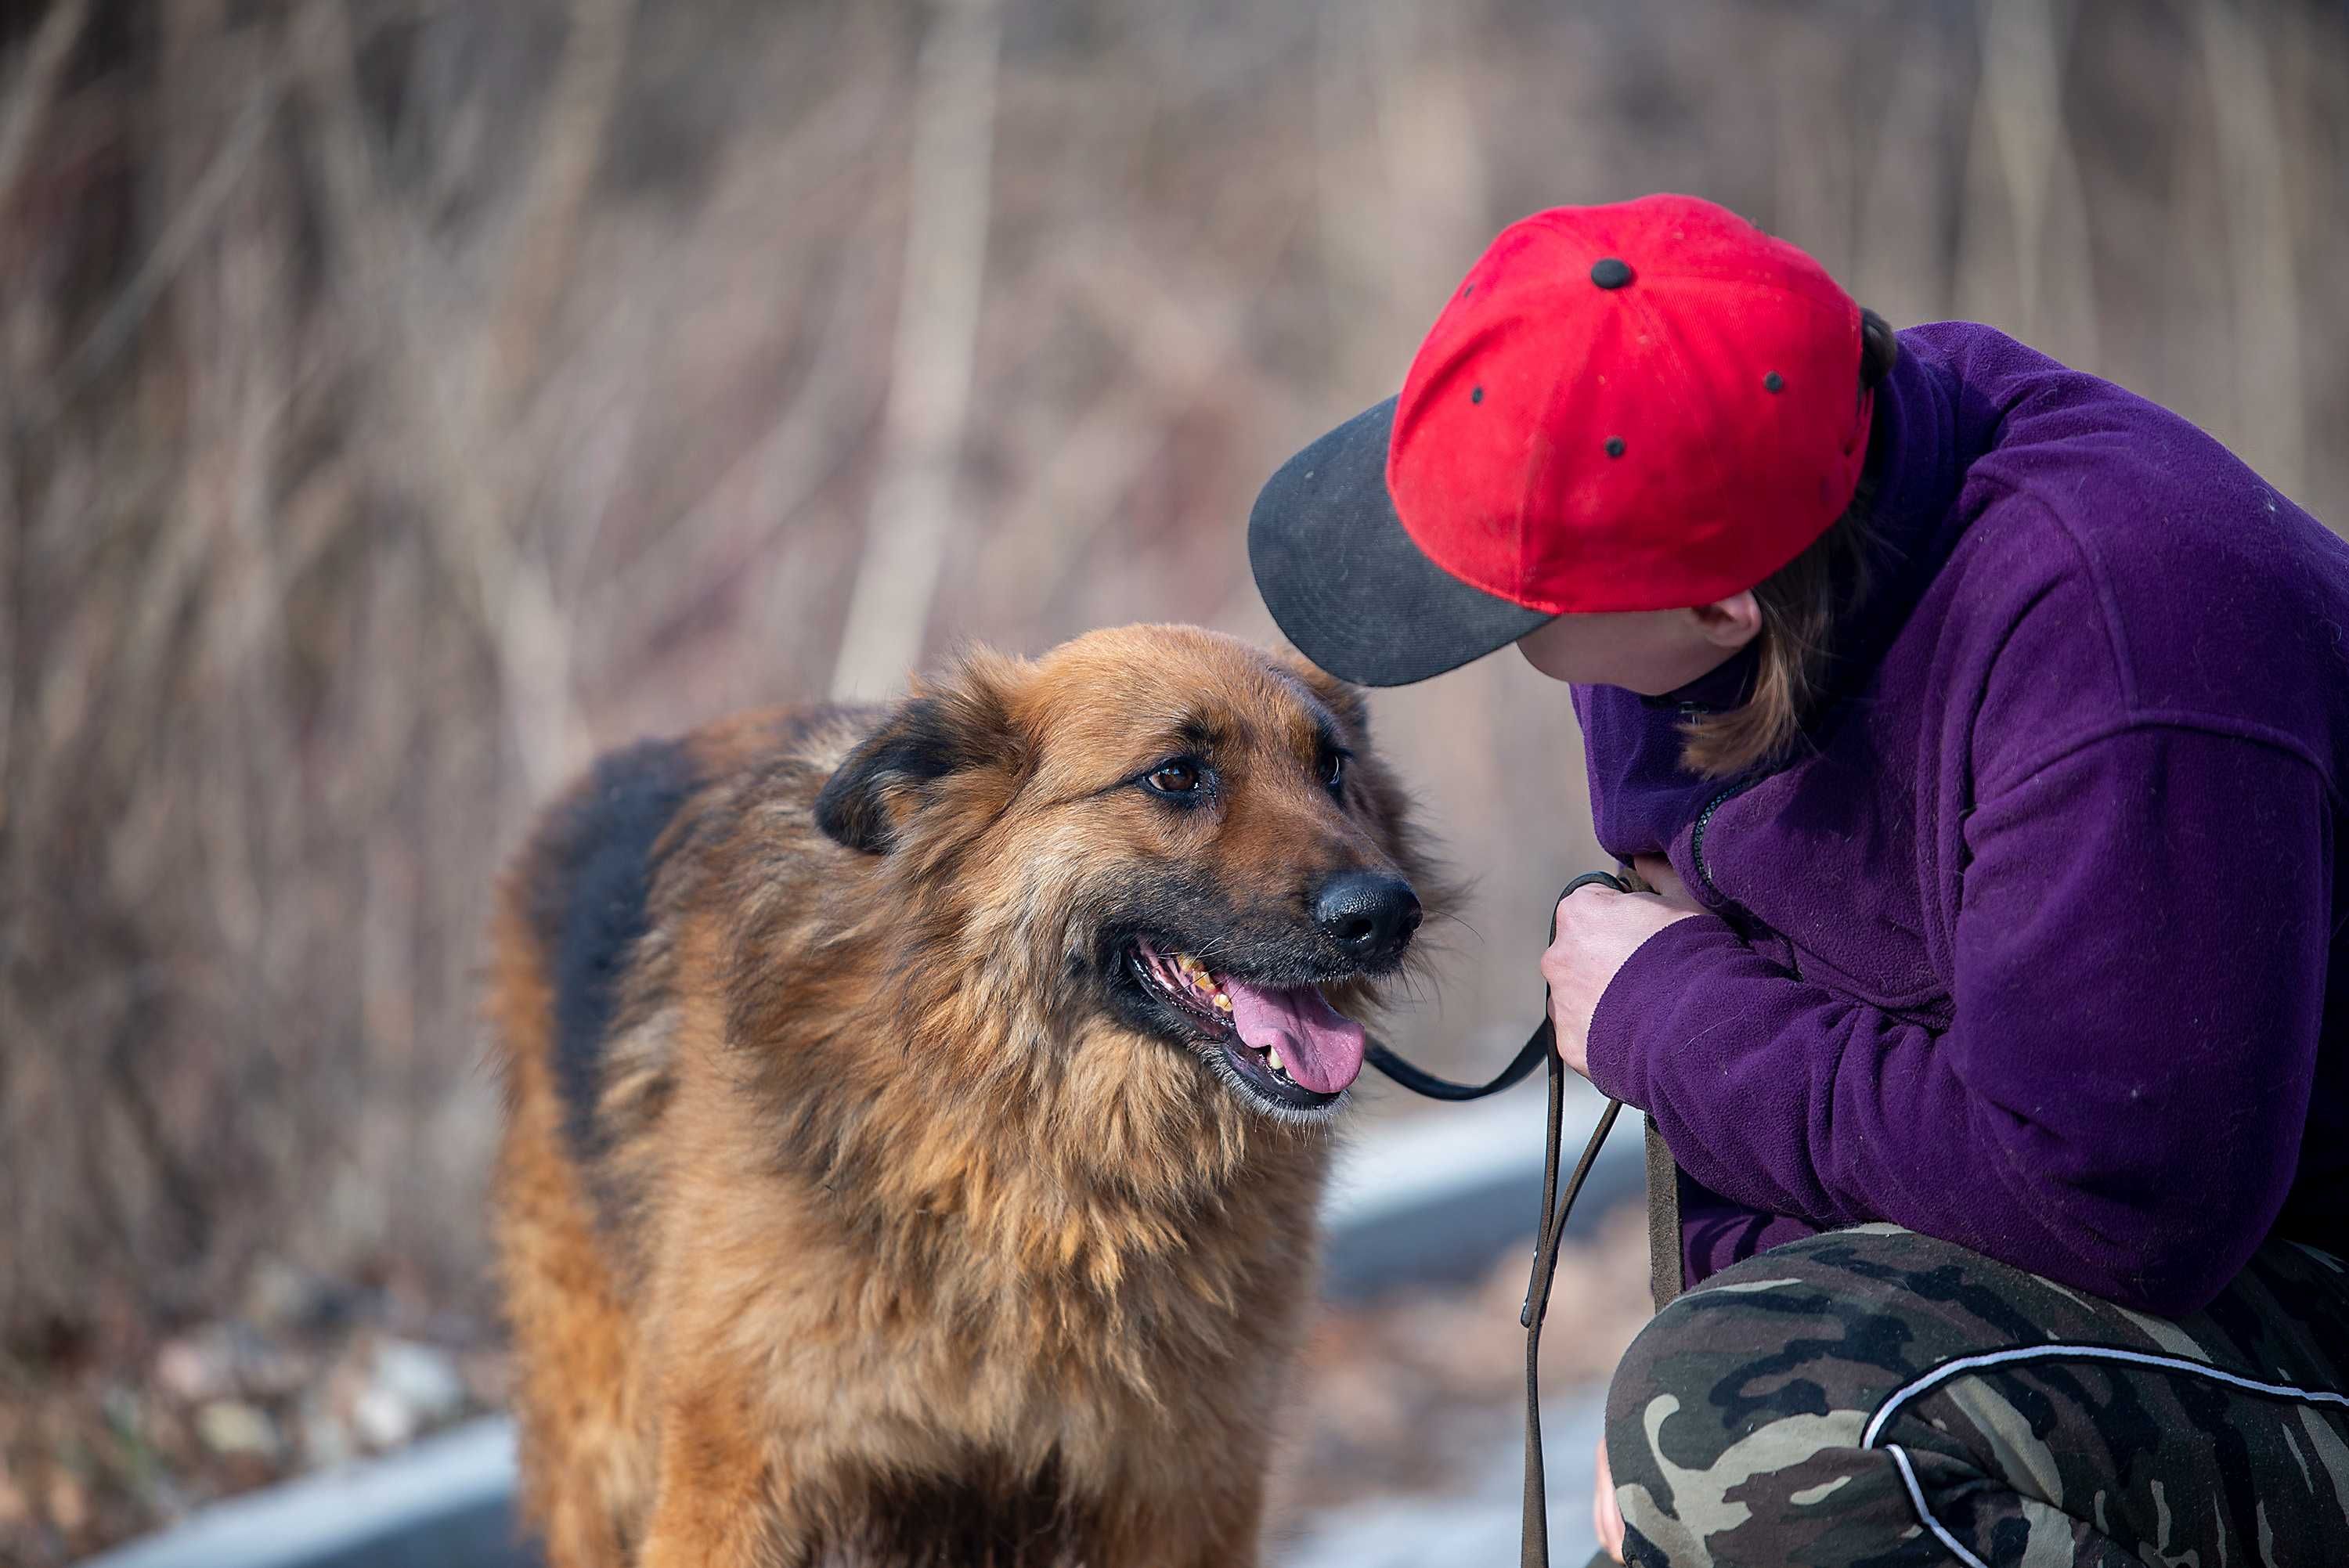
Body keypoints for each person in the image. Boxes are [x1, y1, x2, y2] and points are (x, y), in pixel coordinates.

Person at [1247, 193, 2349, 1566]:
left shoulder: (2130, 655)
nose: (1496, 630)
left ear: (1722, 611)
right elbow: (1770, 1093)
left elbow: (2115, 1209)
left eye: (1516, 611)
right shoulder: (1731, 525)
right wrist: (1695, 1360)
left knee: (1741, 1441)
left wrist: (1670, 1019)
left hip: (2286, 1286)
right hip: (2077, 1290)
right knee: (1709, 1451)